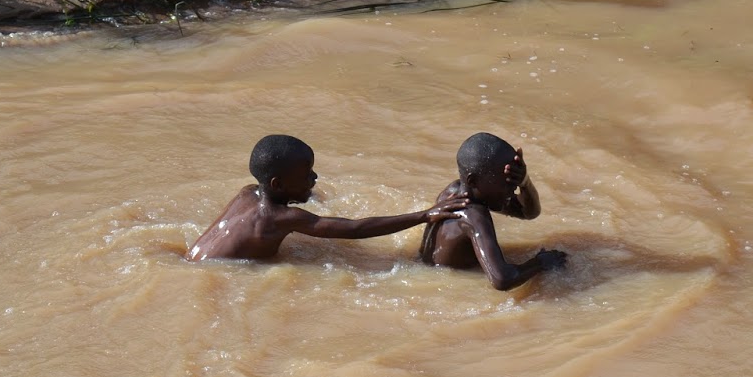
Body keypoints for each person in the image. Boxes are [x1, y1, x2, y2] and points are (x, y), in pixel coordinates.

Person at [186, 134, 467, 262]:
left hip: (195, 258)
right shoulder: (279, 218)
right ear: (278, 184)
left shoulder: (249, 192)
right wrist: (424, 214)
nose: (315, 177)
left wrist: (306, 193)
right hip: (219, 271)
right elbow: (353, 229)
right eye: (307, 174)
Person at [418, 132, 566, 291]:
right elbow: (502, 279)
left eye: (513, 181)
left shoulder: (454, 191)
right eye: (505, 182)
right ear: (473, 181)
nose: (513, 188)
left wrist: (524, 182)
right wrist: (540, 263)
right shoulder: (474, 216)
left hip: (425, 272)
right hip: (445, 287)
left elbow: (528, 212)